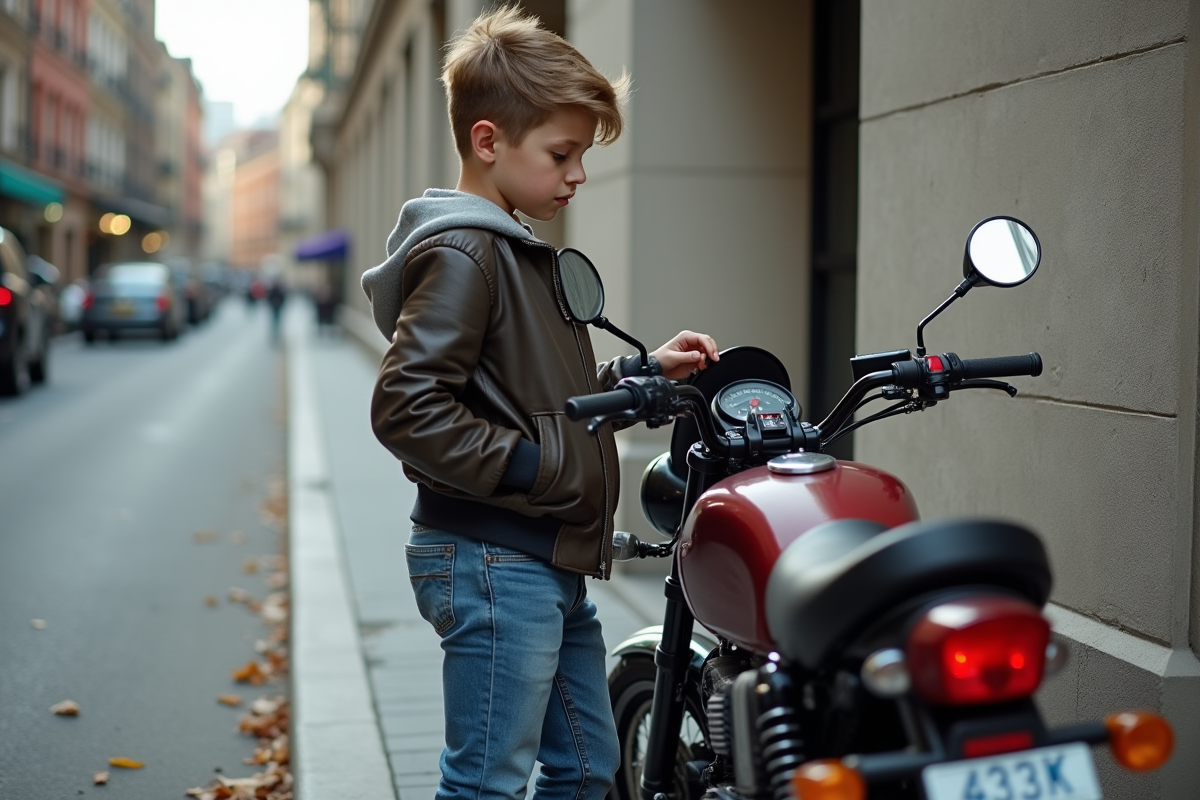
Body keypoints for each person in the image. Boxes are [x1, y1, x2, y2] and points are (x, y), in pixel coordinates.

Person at [362, 8, 719, 800]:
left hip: (539, 555)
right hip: (494, 558)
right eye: (563, 154)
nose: (578, 174)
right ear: (488, 142)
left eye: (581, 156)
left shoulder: (511, 251)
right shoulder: (467, 254)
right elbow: (406, 407)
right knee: (488, 783)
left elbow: (537, 397)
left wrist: (639, 373)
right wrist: (537, 463)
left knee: (590, 768)